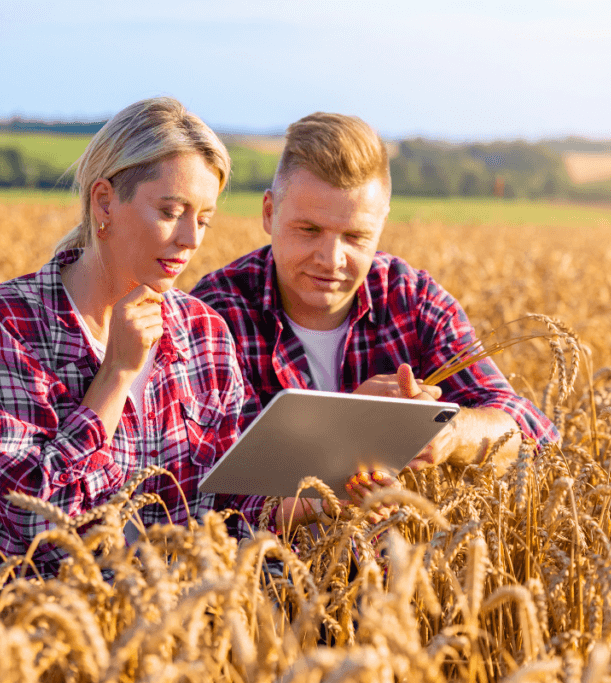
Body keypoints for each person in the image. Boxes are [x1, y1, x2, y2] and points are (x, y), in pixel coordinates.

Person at [0, 97, 274, 579]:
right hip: (38, 631)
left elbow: (231, 500)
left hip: (179, 630)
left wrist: (308, 500)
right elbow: (30, 517)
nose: (191, 238)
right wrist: (116, 376)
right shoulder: (6, 321)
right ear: (104, 201)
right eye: (171, 211)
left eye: (204, 219)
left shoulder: (204, 332)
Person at [191, 112, 559, 485]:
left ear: (381, 225)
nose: (330, 258)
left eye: (355, 237)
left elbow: (534, 433)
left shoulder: (414, 302)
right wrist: (351, 427)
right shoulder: (213, 315)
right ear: (270, 213)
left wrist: (450, 432)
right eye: (309, 230)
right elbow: (198, 474)